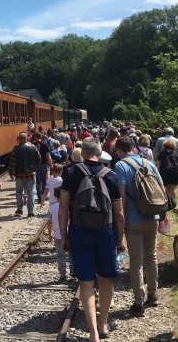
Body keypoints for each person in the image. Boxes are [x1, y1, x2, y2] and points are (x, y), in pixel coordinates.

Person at [59, 137, 125, 341]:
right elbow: (119, 214)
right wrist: (119, 240)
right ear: (99, 152)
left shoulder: (70, 172)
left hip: (79, 231)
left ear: (84, 152)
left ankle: (93, 333)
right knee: (106, 279)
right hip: (105, 232)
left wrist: (64, 237)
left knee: (86, 282)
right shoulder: (111, 175)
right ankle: (103, 324)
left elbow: (62, 210)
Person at [114, 136, 162, 317]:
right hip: (153, 216)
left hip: (133, 219)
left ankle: (138, 303)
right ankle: (153, 294)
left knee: (136, 261)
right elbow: (161, 188)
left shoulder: (120, 166)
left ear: (119, 151)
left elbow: (121, 196)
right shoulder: (148, 163)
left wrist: (121, 219)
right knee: (151, 256)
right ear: (133, 148)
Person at [8, 132, 39, 218]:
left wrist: (11, 173)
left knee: (19, 191)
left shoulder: (16, 149)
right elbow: (39, 158)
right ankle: (30, 211)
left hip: (19, 174)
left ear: (19, 140)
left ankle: (19, 209)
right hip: (31, 174)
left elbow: (12, 162)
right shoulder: (33, 147)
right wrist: (35, 167)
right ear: (27, 139)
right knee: (30, 193)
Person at [48, 187, 72, 282]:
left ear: (54, 195)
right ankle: (73, 269)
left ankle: (63, 274)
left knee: (60, 256)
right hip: (68, 233)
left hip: (58, 235)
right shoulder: (68, 207)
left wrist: (50, 234)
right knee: (71, 253)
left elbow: (49, 222)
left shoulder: (52, 208)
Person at [156, 139, 178, 203]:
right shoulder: (176, 155)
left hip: (164, 174)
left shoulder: (161, 154)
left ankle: (167, 202)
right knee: (173, 189)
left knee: (166, 189)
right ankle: (172, 202)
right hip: (175, 174)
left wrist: (157, 174)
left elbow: (158, 166)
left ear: (165, 146)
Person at [32, 132, 52, 206]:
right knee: (44, 181)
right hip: (44, 164)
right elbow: (48, 156)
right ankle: (43, 196)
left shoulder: (33, 145)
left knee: (38, 182)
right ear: (41, 137)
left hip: (36, 165)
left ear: (35, 137)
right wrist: (51, 164)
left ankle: (39, 198)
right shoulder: (45, 145)